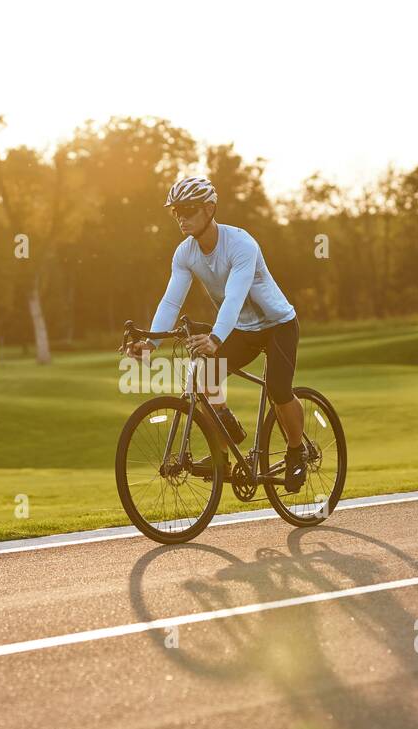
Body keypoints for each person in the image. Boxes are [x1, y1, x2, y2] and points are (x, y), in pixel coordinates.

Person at [122, 176, 307, 492]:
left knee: (278, 388)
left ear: (210, 208)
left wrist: (216, 338)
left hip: (278, 325)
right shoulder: (185, 254)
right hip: (244, 329)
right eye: (177, 211)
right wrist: (151, 342)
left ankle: (296, 451)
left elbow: (235, 296)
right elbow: (171, 300)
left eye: (189, 209)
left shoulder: (241, 245)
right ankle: (223, 450)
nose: (182, 217)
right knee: (204, 377)